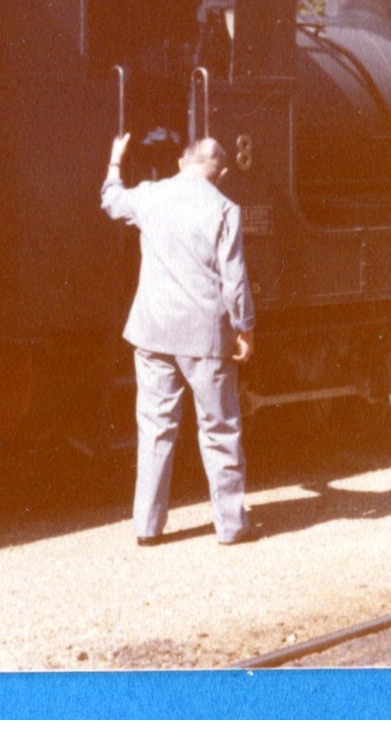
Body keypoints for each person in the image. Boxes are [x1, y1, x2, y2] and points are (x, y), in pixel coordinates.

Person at [101, 133, 258, 547]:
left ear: (181, 163)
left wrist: (116, 160)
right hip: (204, 336)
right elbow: (235, 281)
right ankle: (230, 525)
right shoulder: (224, 208)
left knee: (155, 428)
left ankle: (147, 527)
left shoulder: (151, 195)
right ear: (220, 173)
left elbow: (111, 200)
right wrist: (245, 328)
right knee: (219, 429)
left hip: (152, 332)